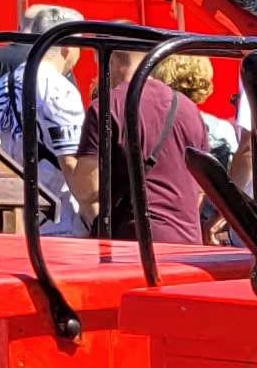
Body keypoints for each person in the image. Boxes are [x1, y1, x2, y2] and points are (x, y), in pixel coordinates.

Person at [78, 51, 219, 250]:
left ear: (113, 62)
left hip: (132, 245)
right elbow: (202, 182)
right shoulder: (188, 108)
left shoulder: (108, 105)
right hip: (187, 245)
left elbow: (89, 188)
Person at [0, 0, 89, 233]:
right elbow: (71, 163)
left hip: (14, 218)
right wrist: (96, 214)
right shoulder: (59, 89)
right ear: (68, 47)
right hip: (58, 224)